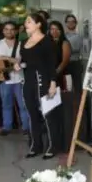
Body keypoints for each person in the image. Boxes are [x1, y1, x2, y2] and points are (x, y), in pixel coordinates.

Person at [18, 14, 61, 159]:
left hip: (44, 80)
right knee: (32, 114)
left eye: (29, 21)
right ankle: (36, 145)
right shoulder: (23, 42)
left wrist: (53, 83)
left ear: (39, 25)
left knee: (48, 115)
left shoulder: (47, 41)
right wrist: (18, 64)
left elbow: (51, 64)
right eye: (26, 21)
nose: (26, 24)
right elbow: (23, 61)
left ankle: (53, 145)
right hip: (28, 81)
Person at [48, 20, 72, 89]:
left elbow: (65, 61)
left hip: (62, 74)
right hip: (50, 75)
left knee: (63, 97)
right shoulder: (47, 43)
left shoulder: (64, 43)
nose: (54, 31)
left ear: (61, 30)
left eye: (57, 29)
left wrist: (54, 74)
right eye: (52, 29)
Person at [64, 14, 83, 92]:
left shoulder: (79, 36)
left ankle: (79, 103)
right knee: (67, 88)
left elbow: (75, 49)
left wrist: (66, 49)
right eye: (68, 22)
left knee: (77, 87)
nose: (71, 23)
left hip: (75, 64)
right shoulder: (63, 36)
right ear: (66, 23)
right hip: (65, 64)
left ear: (76, 23)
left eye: (72, 22)